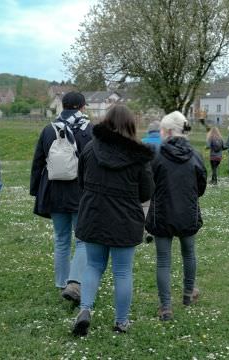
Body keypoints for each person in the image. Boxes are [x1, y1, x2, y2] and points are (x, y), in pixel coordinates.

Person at [72, 105, 154, 336]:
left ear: (106, 122)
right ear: (131, 125)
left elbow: (82, 181)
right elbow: (146, 193)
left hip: (93, 215)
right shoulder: (139, 157)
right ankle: (121, 322)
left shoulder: (90, 148)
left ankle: (85, 308)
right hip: (124, 220)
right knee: (122, 271)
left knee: (93, 265)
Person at [30, 92, 93, 304]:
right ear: (82, 107)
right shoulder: (89, 129)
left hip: (54, 191)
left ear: (62, 106)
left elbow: (38, 162)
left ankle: (61, 282)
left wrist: (35, 191)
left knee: (61, 239)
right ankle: (74, 282)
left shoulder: (49, 129)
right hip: (81, 192)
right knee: (83, 240)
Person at [145, 111, 207, 321]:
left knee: (164, 261)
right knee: (189, 254)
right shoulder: (196, 155)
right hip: (187, 213)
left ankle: (166, 307)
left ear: (169, 131)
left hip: (162, 213)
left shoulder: (156, 155)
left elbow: (148, 184)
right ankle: (188, 294)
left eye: (162, 130)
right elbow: (201, 186)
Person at [141, 121, 161, 242]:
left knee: (145, 204)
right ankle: (159, 227)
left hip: (146, 177)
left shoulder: (142, 142)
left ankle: (145, 229)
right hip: (161, 177)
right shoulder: (165, 142)